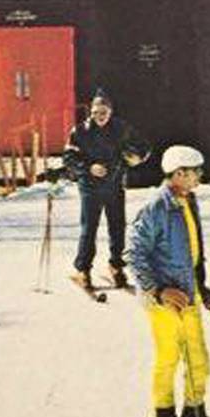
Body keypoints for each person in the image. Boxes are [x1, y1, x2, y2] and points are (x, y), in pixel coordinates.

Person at [128, 145, 210, 417]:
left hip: (189, 295)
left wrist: (202, 287)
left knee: (199, 361)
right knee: (169, 358)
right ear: (179, 173)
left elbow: (194, 253)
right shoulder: (156, 207)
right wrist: (158, 290)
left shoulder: (188, 201)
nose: (199, 177)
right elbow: (135, 254)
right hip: (163, 301)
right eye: (196, 172)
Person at [63, 88, 150, 291]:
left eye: (103, 112)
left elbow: (144, 147)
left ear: (110, 112)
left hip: (114, 184)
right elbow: (68, 158)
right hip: (90, 186)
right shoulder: (80, 131)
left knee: (117, 226)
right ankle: (82, 269)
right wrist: (89, 167)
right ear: (91, 112)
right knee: (89, 228)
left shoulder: (121, 128)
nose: (99, 117)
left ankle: (115, 266)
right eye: (95, 113)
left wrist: (133, 159)